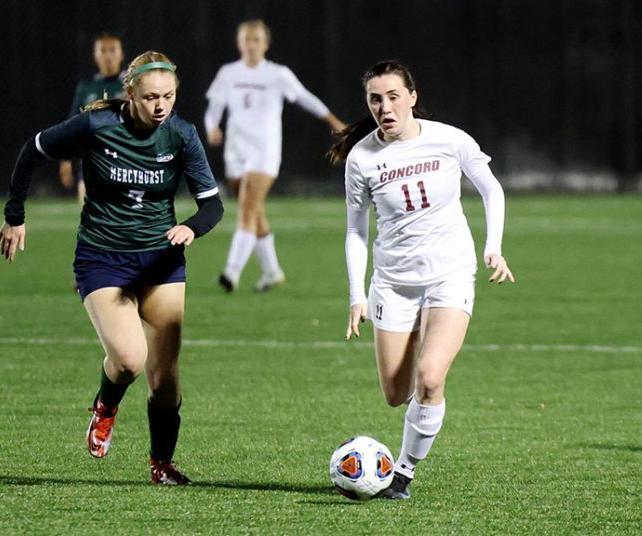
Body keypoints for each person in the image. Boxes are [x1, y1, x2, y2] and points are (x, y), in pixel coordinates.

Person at [0, 51, 224, 485]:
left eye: (169, 96)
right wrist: (15, 214)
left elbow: (212, 204)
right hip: (103, 258)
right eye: (151, 96)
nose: (161, 105)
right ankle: (105, 407)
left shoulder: (180, 134)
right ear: (130, 94)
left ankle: (162, 465)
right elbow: (34, 150)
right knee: (127, 360)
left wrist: (192, 228)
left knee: (166, 382)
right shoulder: (95, 126)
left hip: (161, 262)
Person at [328, 60, 515, 499]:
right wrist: (357, 295)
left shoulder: (449, 140)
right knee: (396, 393)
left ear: (412, 97)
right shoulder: (362, 159)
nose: (385, 107)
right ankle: (414, 428)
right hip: (392, 283)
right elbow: (357, 230)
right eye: (376, 99)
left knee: (429, 377)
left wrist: (494, 246)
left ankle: (404, 474)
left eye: (394, 96)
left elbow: (492, 189)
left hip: (449, 274)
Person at [204, 19, 346, 292]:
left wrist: (332, 120)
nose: (251, 45)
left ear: (265, 44)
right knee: (253, 210)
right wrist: (212, 127)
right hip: (235, 151)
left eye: (256, 40)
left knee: (247, 208)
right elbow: (215, 106)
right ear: (239, 43)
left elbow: (304, 97)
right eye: (247, 39)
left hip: (265, 152)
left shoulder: (278, 74)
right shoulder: (228, 73)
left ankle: (231, 273)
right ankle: (272, 271)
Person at [59, 32, 126, 207]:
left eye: (113, 50)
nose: (108, 56)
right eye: (102, 51)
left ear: (121, 54)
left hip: (126, 161)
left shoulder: (132, 85)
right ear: (95, 55)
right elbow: (72, 124)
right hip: (92, 161)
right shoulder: (86, 87)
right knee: (90, 218)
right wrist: (66, 158)